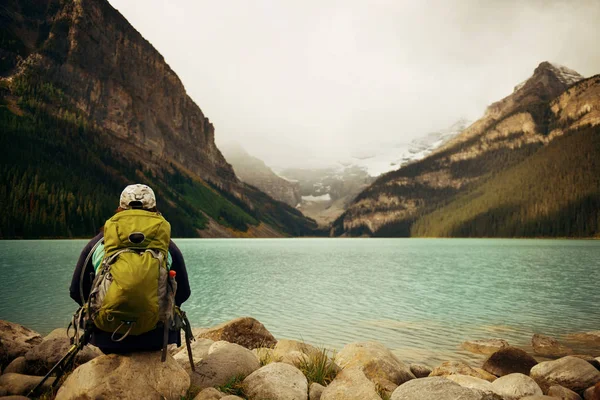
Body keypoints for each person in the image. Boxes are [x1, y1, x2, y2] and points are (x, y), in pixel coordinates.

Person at [69, 184, 191, 354]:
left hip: (107, 337)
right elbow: (184, 292)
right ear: (154, 208)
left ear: (120, 208)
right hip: (155, 337)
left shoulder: (100, 243)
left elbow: (76, 291)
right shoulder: (166, 247)